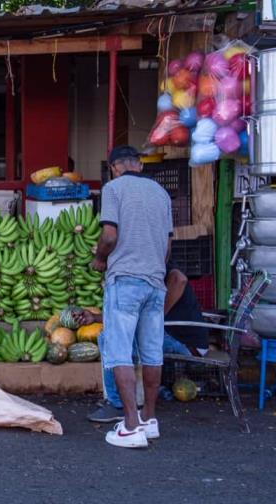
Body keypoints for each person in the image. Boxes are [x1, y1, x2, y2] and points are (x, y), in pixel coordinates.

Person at [89, 145, 172, 449]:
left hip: (125, 280)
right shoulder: (161, 194)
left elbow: (109, 235)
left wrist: (100, 259)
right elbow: (166, 247)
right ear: (139, 164)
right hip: (155, 281)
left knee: (119, 352)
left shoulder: (113, 189)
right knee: (152, 353)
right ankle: (149, 419)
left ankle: (130, 425)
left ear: (114, 167)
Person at [85, 261, 209, 422]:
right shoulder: (147, 274)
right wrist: (94, 318)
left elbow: (180, 279)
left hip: (186, 343)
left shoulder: (158, 266)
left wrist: (157, 316)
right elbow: (128, 315)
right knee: (115, 333)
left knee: (109, 336)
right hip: (174, 335)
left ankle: (116, 404)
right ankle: (133, 403)